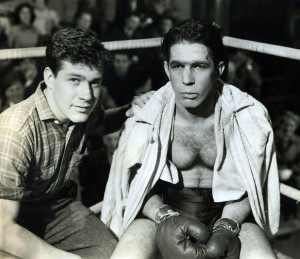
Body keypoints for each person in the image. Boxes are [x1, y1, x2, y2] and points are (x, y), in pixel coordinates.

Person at [101, 19, 280, 259]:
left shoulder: (247, 115)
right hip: (164, 210)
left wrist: (228, 224)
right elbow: (135, 182)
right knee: (127, 255)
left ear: (218, 69)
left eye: (199, 66)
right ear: (167, 70)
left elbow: (254, 182)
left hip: (230, 213)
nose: (187, 79)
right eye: (178, 66)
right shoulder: (147, 117)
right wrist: (163, 217)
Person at [0, 27, 150, 259]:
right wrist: (62, 257)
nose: (87, 95)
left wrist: (129, 110)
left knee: (110, 253)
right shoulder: (15, 131)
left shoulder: (80, 109)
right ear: (50, 78)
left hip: (53, 206)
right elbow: (3, 230)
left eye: (94, 82)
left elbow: (100, 123)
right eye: (74, 80)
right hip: (9, 219)